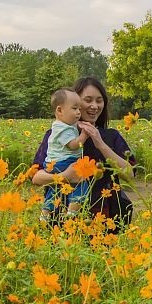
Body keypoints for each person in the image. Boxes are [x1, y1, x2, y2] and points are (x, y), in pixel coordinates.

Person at [30, 77, 137, 231]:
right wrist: (64, 177)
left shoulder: (111, 136)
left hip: (103, 221)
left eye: (99, 100)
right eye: (88, 100)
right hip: (61, 220)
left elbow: (130, 175)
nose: (94, 106)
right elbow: (35, 177)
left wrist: (99, 143)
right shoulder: (57, 135)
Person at [38, 88, 91, 224]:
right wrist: (84, 135)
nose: (79, 112)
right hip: (64, 162)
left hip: (53, 164)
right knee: (80, 182)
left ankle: (45, 214)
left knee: (54, 189)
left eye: (79, 108)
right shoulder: (63, 129)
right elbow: (73, 145)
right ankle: (72, 213)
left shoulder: (63, 125)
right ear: (59, 110)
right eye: (74, 108)